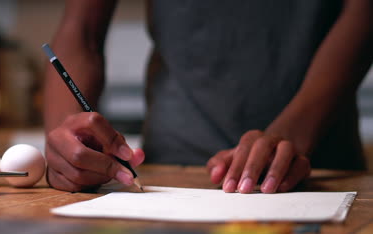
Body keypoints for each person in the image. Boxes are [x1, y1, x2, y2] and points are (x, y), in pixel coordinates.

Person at [43, 0, 373, 193]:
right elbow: (81, 29)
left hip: (318, 167)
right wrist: (69, 140)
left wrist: (293, 135)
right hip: (167, 171)